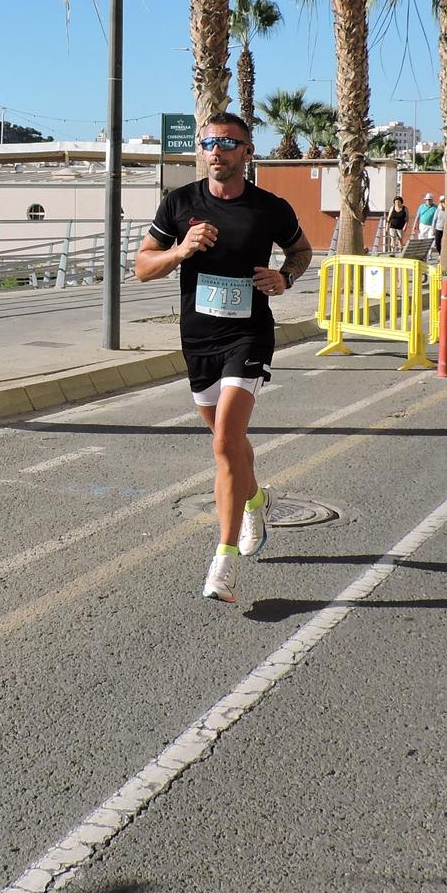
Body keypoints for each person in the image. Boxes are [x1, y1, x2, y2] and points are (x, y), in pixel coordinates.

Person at [137, 113, 312, 604]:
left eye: (228, 143)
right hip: (199, 339)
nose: (217, 151)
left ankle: (224, 558)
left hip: (249, 337)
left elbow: (302, 250)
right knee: (228, 444)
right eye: (209, 143)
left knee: (224, 443)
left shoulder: (269, 208)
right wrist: (180, 252)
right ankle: (256, 500)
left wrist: (286, 278)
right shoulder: (180, 204)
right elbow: (141, 268)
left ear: (247, 152)